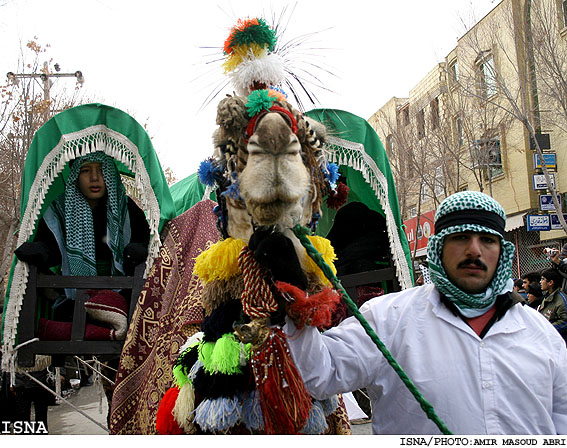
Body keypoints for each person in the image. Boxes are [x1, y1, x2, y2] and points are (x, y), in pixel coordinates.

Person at [284, 191, 567, 434]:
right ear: (438, 248)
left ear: (501, 251)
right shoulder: (388, 320)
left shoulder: (541, 335)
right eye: (460, 237)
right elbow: (318, 375)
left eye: (487, 240)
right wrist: (290, 292)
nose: (474, 250)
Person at [538, 268, 567, 341]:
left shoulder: (561, 300)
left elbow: (565, 322)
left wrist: (547, 328)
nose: (540, 282)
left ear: (550, 282)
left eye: (543, 279)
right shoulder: (547, 296)